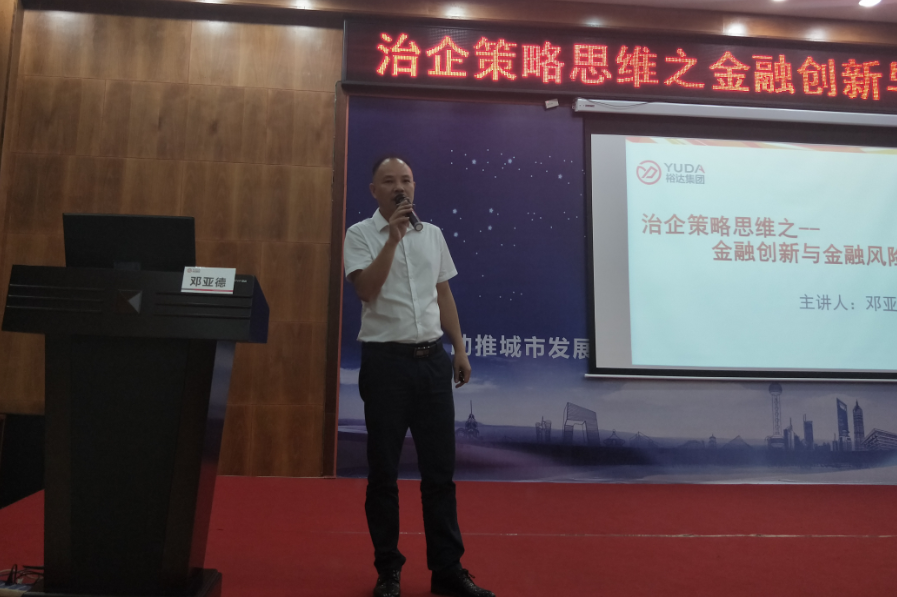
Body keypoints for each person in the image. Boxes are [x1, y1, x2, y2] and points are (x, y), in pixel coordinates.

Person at [344, 156, 495, 597]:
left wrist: (459, 349)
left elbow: (442, 293)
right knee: (384, 474)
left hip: (432, 362)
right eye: (390, 180)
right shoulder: (360, 234)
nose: (400, 187)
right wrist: (392, 239)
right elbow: (365, 289)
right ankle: (388, 570)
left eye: (407, 180)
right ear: (374, 190)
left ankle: (447, 569)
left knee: (439, 474)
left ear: (414, 186)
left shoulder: (433, 235)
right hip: (385, 365)